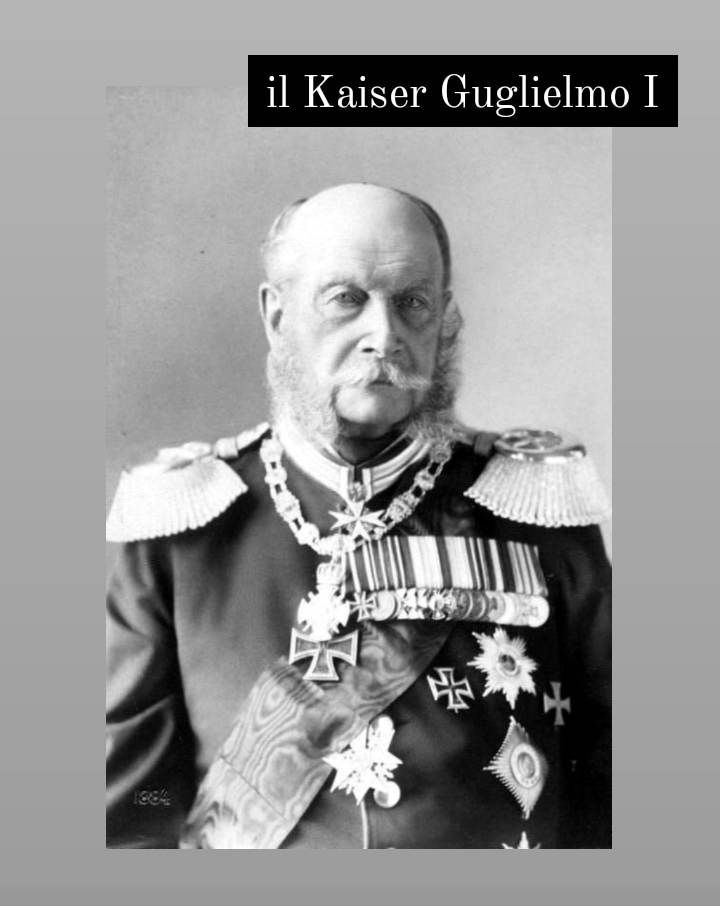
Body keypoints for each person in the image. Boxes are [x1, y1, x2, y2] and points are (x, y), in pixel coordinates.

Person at [106, 183, 611, 849]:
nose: (384, 336)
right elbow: (136, 815)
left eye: (412, 303)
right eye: (346, 299)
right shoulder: (182, 533)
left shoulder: (535, 512)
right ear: (277, 317)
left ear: (445, 321)